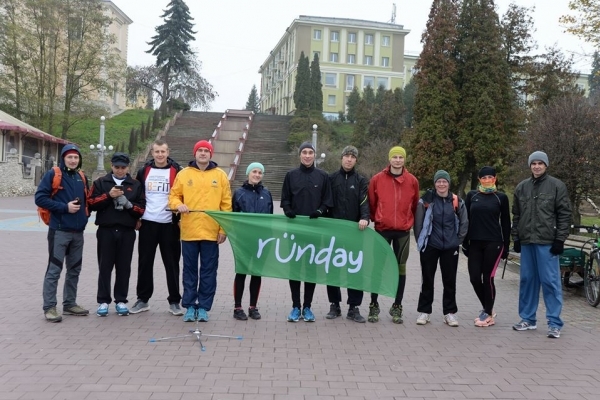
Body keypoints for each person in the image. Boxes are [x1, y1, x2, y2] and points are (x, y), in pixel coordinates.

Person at [168, 140, 232, 323]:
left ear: (211, 154)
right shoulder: (184, 174)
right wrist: (178, 205)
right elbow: (173, 196)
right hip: (189, 231)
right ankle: (189, 306)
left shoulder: (220, 176)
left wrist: (223, 229)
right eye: (200, 150)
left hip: (211, 233)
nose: (203, 153)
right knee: (189, 271)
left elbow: (226, 205)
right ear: (195, 153)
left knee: (208, 271)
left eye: (206, 151)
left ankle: (203, 306)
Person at [511, 151, 571, 339]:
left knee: (550, 282)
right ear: (530, 165)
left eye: (540, 163)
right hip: (528, 242)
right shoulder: (522, 187)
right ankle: (528, 319)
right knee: (527, 281)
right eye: (533, 163)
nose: (537, 166)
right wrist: (517, 238)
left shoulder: (556, 186)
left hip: (547, 243)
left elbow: (564, 215)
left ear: (546, 165)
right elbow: (517, 216)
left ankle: (554, 323)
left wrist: (560, 240)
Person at [35, 144, 90, 322]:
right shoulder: (54, 174)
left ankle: (69, 304)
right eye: (70, 157)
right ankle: (49, 307)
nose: (73, 160)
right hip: (59, 231)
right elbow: (40, 198)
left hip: (78, 233)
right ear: (64, 158)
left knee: (74, 269)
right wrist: (64, 207)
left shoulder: (81, 176)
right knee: (54, 270)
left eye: (76, 157)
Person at [281, 141, 333, 322]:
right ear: (300, 155)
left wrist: (320, 211)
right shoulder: (291, 175)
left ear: (314, 155)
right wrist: (288, 210)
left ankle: (308, 307)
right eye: (304, 152)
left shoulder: (323, 176)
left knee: (310, 268)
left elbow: (328, 201)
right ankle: (296, 306)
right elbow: (285, 199)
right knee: (295, 268)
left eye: (311, 152)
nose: (308, 155)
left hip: (314, 230)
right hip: (294, 230)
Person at [88, 153, 145, 317]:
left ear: (128, 167)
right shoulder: (101, 182)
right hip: (106, 230)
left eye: (123, 167)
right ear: (111, 166)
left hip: (127, 231)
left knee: (124, 267)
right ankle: (103, 301)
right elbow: (91, 203)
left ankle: (121, 300)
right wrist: (108, 196)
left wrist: (128, 204)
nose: (120, 170)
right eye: (117, 167)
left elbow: (141, 209)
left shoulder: (135, 185)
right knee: (105, 266)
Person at [131, 140, 183, 316]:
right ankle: (143, 300)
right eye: (156, 152)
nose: (160, 155)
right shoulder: (143, 171)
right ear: (152, 153)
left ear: (168, 152)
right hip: (148, 223)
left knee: (172, 264)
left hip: (169, 224)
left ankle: (175, 301)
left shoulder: (177, 171)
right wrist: (137, 216)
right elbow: (137, 195)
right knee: (145, 263)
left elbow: (183, 195)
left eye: (163, 151)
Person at [367, 146, 419, 323]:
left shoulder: (412, 181)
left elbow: (414, 205)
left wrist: (406, 221)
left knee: (400, 269)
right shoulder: (377, 179)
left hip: (403, 232)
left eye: (400, 157)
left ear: (404, 160)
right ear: (389, 159)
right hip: (382, 230)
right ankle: (373, 305)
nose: (397, 160)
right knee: (377, 268)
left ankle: (397, 306)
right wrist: (379, 219)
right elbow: (372, 204)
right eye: (394, 157)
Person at [414, 170, 468, 327]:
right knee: (427, 279)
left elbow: (464, 223)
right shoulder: (426, 201)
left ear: (449, 183)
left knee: (450, 280)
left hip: (450, 247)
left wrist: (457, 241)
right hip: (430, 245)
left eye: (445, 181)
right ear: (435, 183)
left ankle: (449, 313)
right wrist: (421, 242)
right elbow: (418, 223)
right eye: (439, 181)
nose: (442, 184)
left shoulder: (457, 201)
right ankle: (424, 311)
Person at [325, 145, 369, 323]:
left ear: (356, 160)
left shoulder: (361, 180)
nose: (349, 159)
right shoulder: (331, 178)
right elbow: (326, 202)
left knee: (354, 269)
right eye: (346, 156)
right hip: (334, 232)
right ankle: (334, 305)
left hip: (354, 232)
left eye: (352, 156)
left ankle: (354, 307)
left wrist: (365, 217)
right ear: (341, 158)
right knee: (333, 269)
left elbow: (365, 202)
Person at [463, 166, 511, 327]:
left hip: (494, 243)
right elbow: (466, 220)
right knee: (474, 277)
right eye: (484, 178)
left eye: (490, 177)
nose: (487, 180)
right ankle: (488, 307)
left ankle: (488, 314)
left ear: (495, 178)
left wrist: (507, 245)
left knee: (488, 277)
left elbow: (505, 222)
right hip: (475, 242)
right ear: (479, 180)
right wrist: (465, 242)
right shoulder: (472, 195)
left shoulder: (501, 198)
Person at [232, 162, 274, 320]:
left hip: (262, 240)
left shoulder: (267, 194)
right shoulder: (239, 193)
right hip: (243, 239)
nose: (257, 175)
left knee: (256, 273)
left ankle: (253, 306)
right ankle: (237, 307)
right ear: (248, 173)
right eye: (254, 172)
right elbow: (233, 217)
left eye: (260, 172)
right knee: (241, 272)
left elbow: (270, 217)